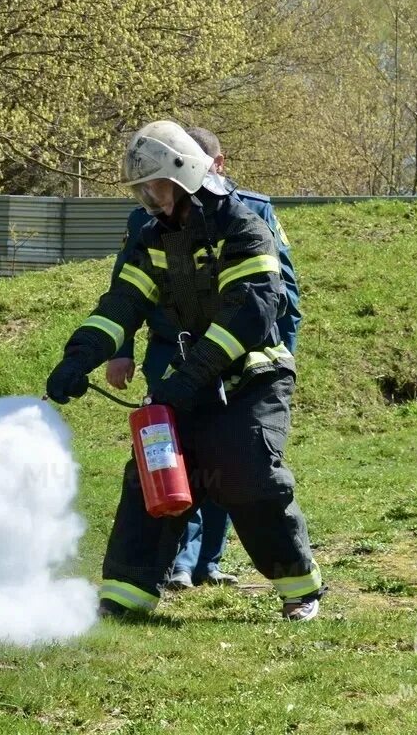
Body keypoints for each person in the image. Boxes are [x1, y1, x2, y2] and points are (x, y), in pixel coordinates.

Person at [45, 119, 323, 621]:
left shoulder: (241, 225)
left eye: (156, 185)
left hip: (252, 376)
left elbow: (252, 313)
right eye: (143, 188)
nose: (150, 197)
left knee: (246, 471)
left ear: (185, 174)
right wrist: (79, 356)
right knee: (152, 473)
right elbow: (122, 303)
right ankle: (128, 595)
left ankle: (299, 588)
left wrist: (188, 381)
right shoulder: (152, 237)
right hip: (187, 379)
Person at [104, 127, 301, 589]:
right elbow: (126, 292)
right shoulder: (147, 223)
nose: (151, 196)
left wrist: (281, 356)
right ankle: (163, 572)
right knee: (163, 467)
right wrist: (104, 350)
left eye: (157, 185)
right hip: (170, 358)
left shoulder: (250, 214)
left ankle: (209, 561)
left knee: (236, 467)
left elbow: (277, 295)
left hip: (237, 362)